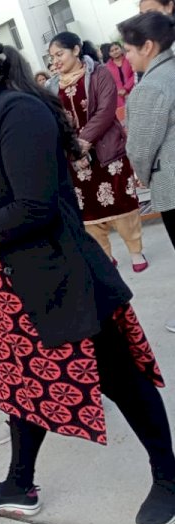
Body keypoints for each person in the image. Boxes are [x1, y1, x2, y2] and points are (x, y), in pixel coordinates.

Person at [0, 23, 175, 524]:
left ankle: (169, 475)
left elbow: (34, 208)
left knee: (122, 379)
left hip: (65, 280)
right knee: (23, 386)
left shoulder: (19, 114)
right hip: (17, 287)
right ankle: (20, 483)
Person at [47, 32, 148, 272]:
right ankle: (105, 256)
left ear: (76, 49)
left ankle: (135, 251)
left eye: (59, 54)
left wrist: (83, 141)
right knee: (89, 212)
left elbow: (105, 110)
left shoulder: (99, 73)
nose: (56, 60)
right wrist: (71, 147)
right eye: (52, 57)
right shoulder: (51, 86)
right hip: (76, 160)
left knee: (122, 204)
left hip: (107, 152)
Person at [120, 12, 175, 333]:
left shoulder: (150, 88)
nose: (126, 57)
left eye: (129, 50)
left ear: (148, 46)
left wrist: (140, 173)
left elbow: (140, 147)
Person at [103, 42, 136, 108]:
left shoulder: (129, 59)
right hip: (119, 95)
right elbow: (109, 82)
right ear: (109, 54)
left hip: (134, 89)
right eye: (112, 51)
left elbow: (135, 74)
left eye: (116, 49)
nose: (115, 52)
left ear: (121, 49)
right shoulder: (107, 66)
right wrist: (119, 90)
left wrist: (126, 88)